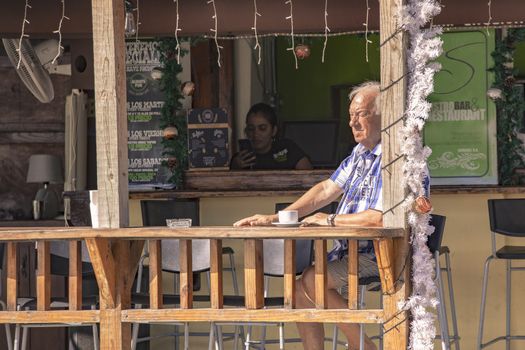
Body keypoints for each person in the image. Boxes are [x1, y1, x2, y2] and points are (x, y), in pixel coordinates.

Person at [234, 82, 431, 350]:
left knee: (310, 281)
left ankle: (362, 345)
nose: (352, 122)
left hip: (385, 253)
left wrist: (327, 220)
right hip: (352, 251)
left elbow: (381, 218)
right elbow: (327, 188)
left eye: (360, 114)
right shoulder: (361, 153)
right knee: (300, 287)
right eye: (350, 116)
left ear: (385, 115)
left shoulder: (397, 157)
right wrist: (277, 217)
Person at [230, 102, 313, 170]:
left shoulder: (287, 148)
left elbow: (308, 176)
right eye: (251, 129)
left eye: (262, 128)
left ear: (273, 131)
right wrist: (235, 167)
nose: (256, 134)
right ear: (247, 132)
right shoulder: (241, 158)